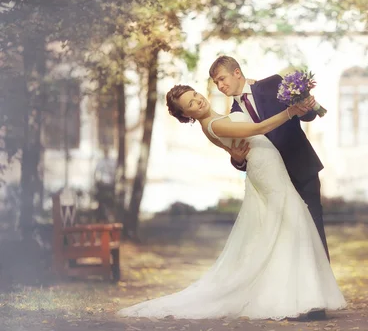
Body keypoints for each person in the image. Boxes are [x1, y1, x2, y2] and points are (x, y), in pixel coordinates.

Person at [117, 85, 346, 321]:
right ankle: (294, 297)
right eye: (191, 104)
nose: (199, 101)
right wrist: (290, 112)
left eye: (196, 95)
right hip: (265, 171)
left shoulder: (219, 116)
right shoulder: (214, 125)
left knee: (285, 227)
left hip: (271, 165)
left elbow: (238, 147)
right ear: (187, 115)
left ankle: (301, 294)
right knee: (291, 223)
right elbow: (258, 128)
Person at [209, 56, 330, 268]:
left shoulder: (272, 84)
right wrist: (237, 161)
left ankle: (324, 286)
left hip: (301, 166)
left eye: (222, 78)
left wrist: (309, 107)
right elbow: (244, 156)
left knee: (314, 224)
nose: (220, 86)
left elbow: (305, 116)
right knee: (286, 235)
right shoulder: (233, 116)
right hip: (272, 182)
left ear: (237, 72)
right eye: (216, 83)